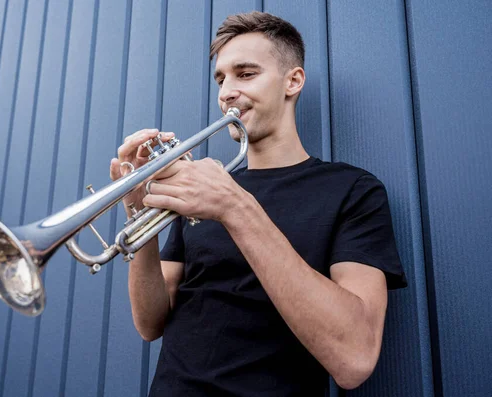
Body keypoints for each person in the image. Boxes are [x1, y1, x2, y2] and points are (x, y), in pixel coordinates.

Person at [109, 11, 407, 396]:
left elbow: (354, 358)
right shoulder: (207, 190)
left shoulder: (353, 190)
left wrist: (235, 207)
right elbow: (150, 322)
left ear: (293, 81)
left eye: (245, 74)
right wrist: (139, 217)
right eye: (221, 79)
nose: (226, 92)